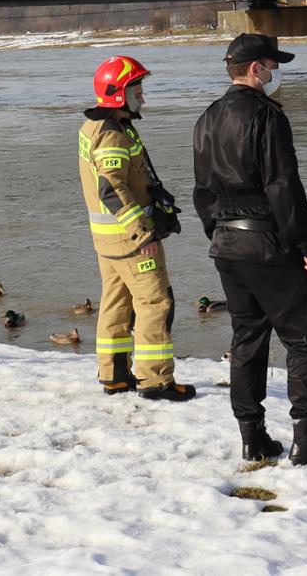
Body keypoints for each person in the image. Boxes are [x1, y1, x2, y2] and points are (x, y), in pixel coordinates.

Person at [192, 34, 307, 466]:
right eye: (271, 64)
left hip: (226, 244)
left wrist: (219, 231)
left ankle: (254, 437)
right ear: (253, 69)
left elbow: (202, 191)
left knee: (247, 338)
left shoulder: (206, 118)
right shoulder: (267, 116)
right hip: (267, 242)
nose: (274, 72)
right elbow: (283, 185)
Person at [78, 56, 194, 401]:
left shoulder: (94, 127)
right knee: (155, 302)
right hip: (130, 240)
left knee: (115, 302)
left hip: (107, 240)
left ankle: (114, 375)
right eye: (137, 89)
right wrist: (143, 234)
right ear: (118, 93)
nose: (143, 97)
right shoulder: (112, 135)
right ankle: (155, 380)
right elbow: (111, 188)